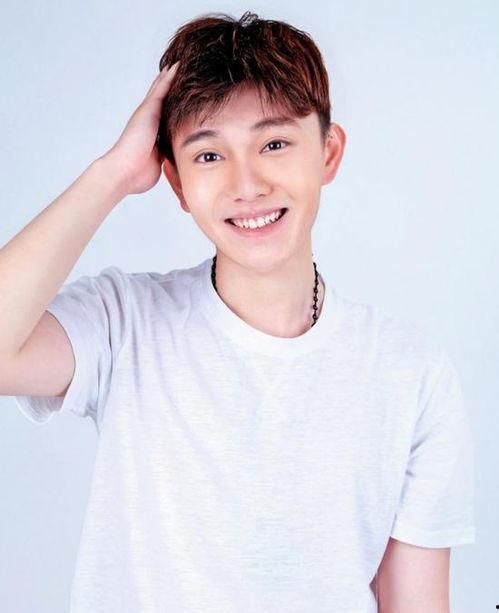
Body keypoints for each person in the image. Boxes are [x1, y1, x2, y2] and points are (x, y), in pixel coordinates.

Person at [0, 10, 475, 613]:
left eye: (274, 144)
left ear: (328, 152)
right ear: (175, 182)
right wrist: (113, 173)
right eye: (208, 156)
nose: (246, 185)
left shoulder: (410, 373)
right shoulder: (124, 323)